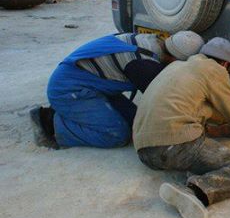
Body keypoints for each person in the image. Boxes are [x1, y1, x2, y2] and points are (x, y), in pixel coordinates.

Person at [132, 37, 230, 218]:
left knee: (199, 153)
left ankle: (193, 173)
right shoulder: (214, 70)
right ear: (225, 64)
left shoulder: (178, 67)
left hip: (145, 152)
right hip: (174, 147)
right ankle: (194, 192)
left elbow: (200, 110)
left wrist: (221, 128)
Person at [31, 31, 205, 149]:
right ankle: (50, 122)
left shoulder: (153, 42)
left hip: (92, 84)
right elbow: (165, 106)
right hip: (69, 88)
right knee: (117, 135)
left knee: (134, 121)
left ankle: (77, 113)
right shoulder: (144, 66)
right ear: (175, 58)